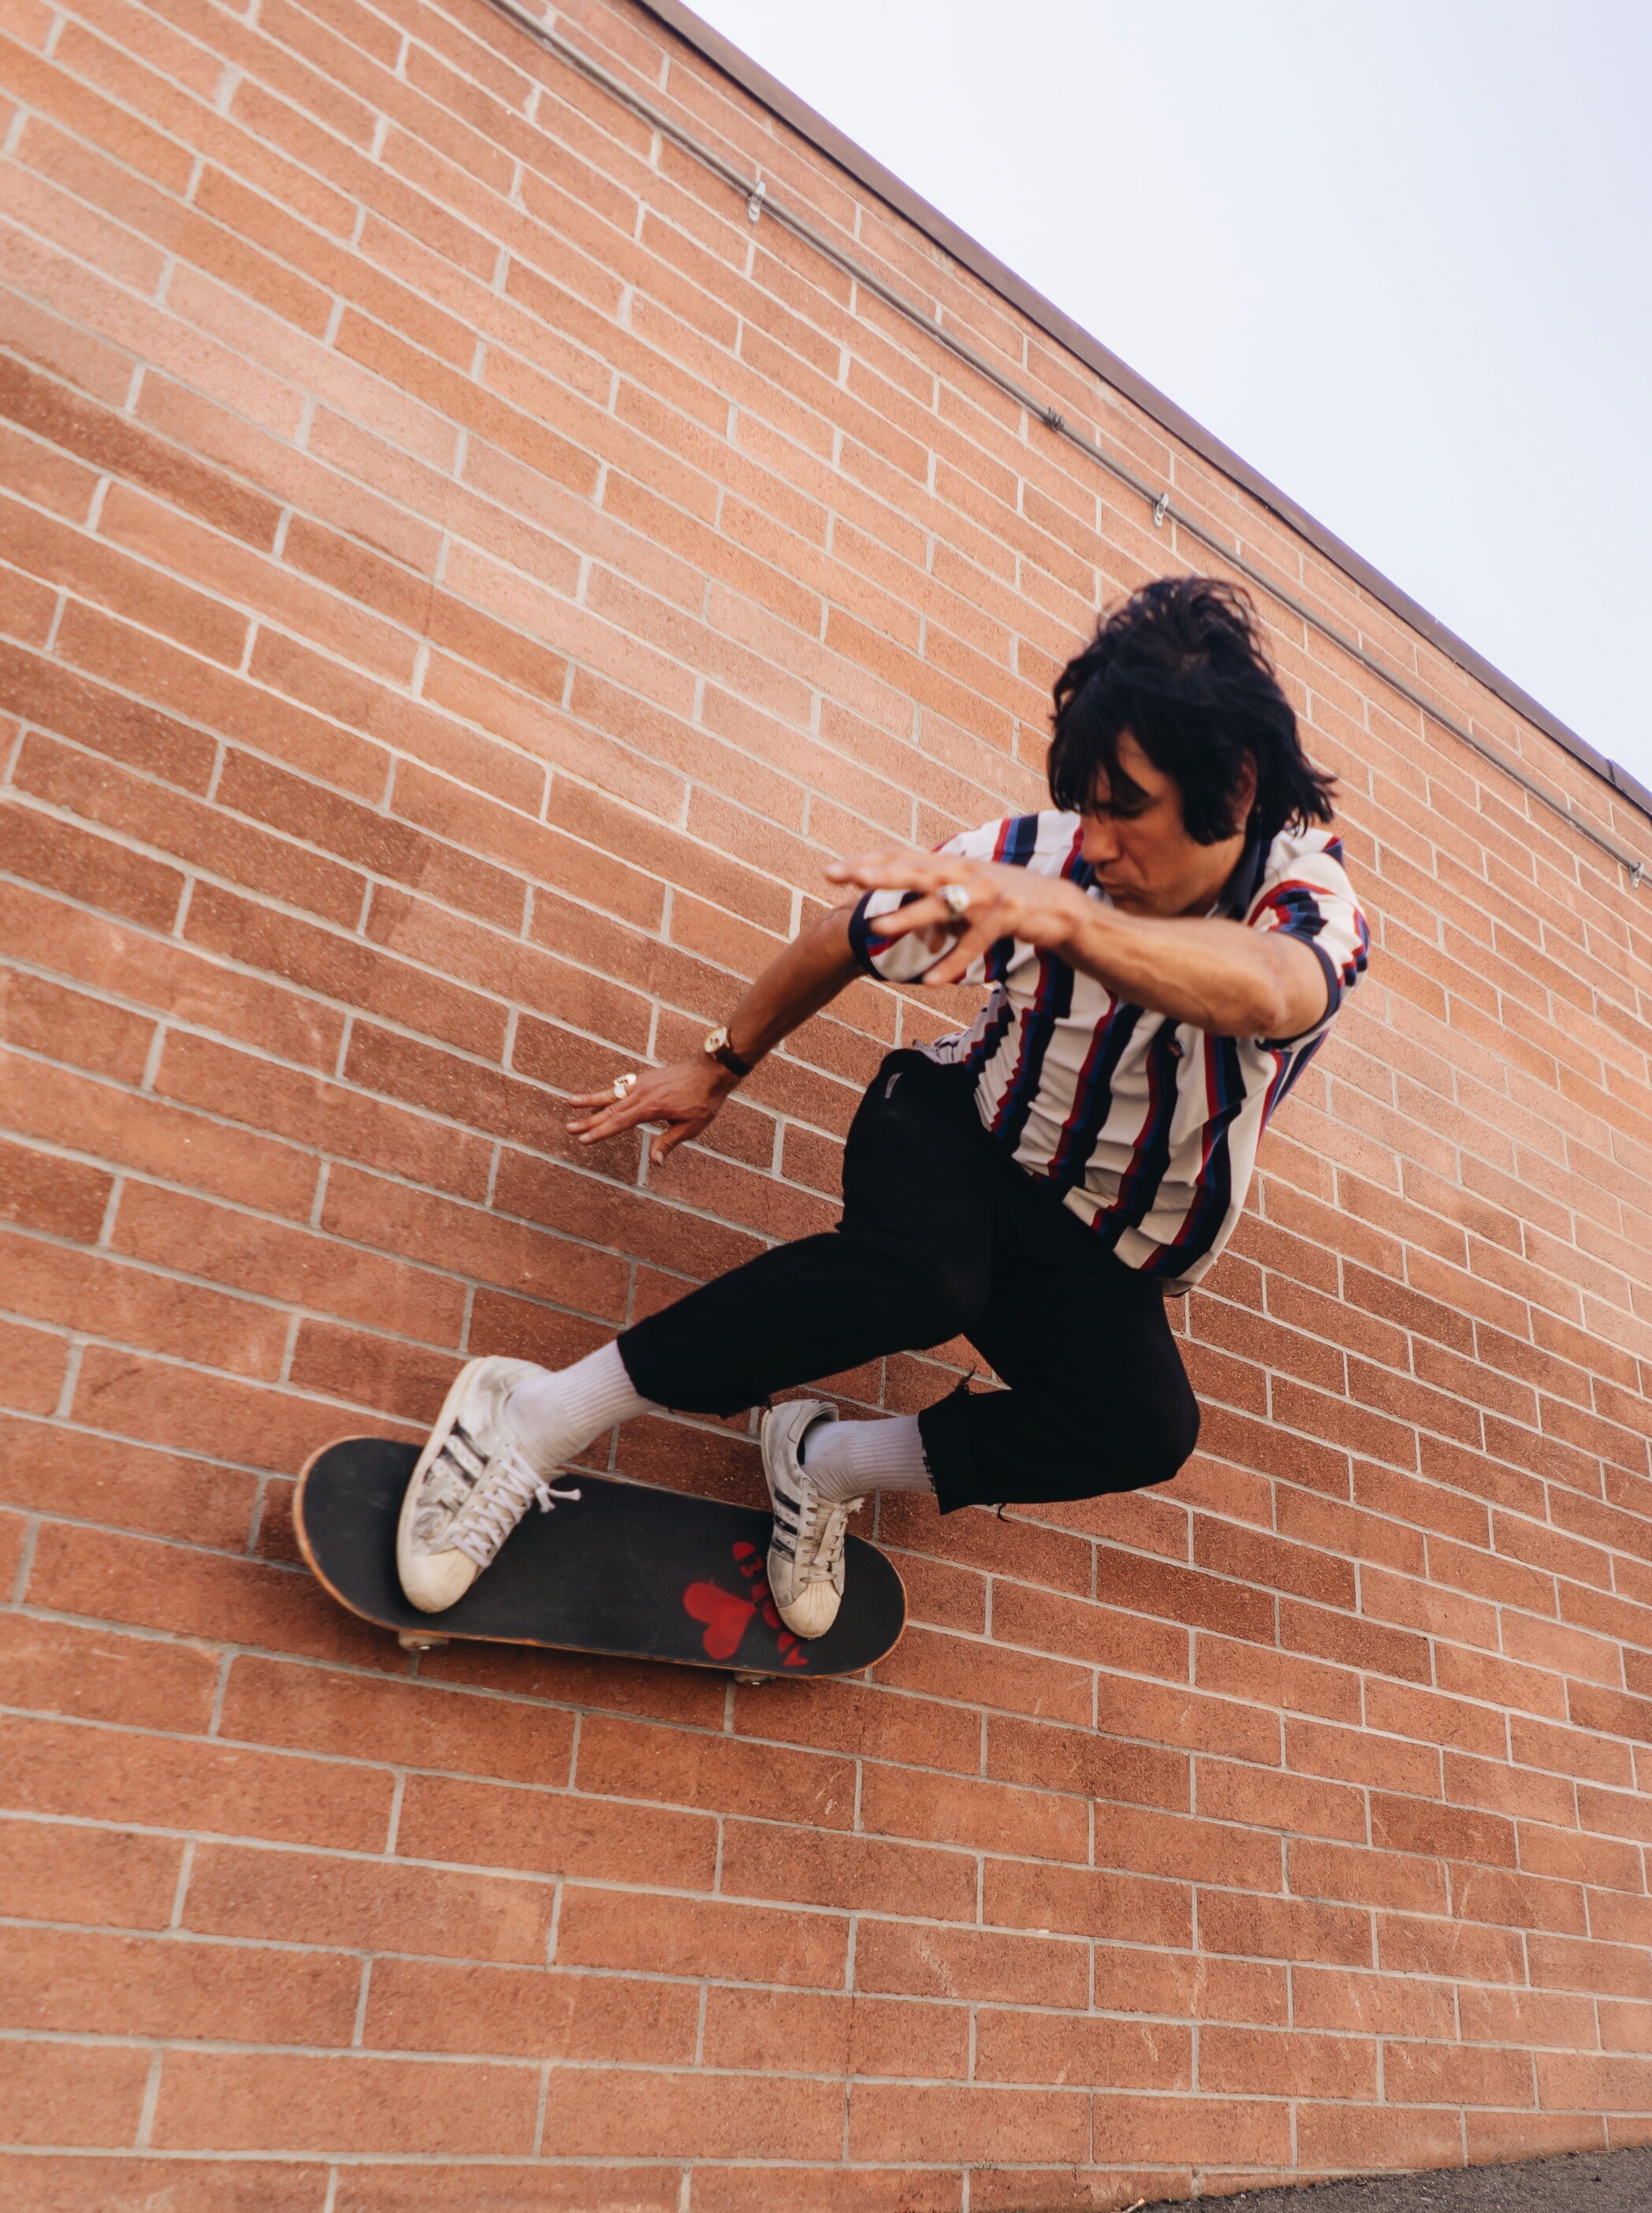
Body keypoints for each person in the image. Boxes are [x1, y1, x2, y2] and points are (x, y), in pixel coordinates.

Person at [395, 576, 1368, 1638]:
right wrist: (720, 1062)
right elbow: (840, 939)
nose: (1091, 848)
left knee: (1146, 1423)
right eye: (1084, 809)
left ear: (1230, 779)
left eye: (1125, 808)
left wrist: (1074, 927)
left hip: (1089, 1236)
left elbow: (1275, 990)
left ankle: (820, 1463)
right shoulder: (1026, 862)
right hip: (956, 1127)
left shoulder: (1304, 896)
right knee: (928, 1277)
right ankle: (530, 1413)